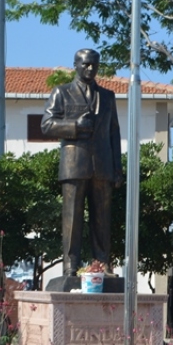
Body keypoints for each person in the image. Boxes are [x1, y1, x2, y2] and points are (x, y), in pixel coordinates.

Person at [40, 49, 123, 277]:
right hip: (74, 164)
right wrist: (74, 126)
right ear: (75, 65)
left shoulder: (108, 97)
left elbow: (114, 133)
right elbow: (46, 124)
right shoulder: (62, 92)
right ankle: (70, 266)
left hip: (103, 166)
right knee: (72, 219)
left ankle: (102, 263)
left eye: (94, 65)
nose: (90, 69)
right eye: (85, 64)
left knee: (102, 220)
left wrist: (117, 168)